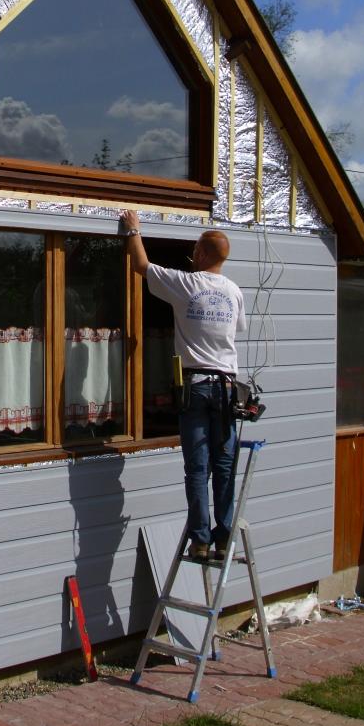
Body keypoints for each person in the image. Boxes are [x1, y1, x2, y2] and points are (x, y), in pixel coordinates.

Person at [120, 209, 247, 561]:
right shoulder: (234, 292)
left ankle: (201, 540)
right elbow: (236, 330)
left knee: (197, 467)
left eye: (194, 251)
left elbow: (141, 265)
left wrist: (133, 230)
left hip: (196, 386)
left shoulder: (187, 284)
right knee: (224, 465)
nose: (192, 256)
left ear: (202, 254)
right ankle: (224, 538)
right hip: (226, 387)